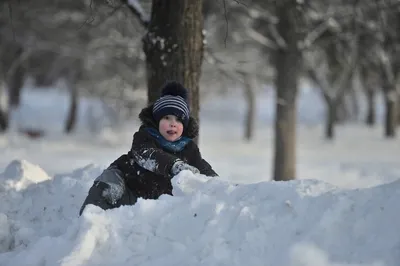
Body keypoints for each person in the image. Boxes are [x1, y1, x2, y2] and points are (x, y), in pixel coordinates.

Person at [79, 81, 218, 215]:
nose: (173, 124)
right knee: (108, 186)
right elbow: (147, 154)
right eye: (167, 118)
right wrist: (174, 165)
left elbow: (202, 168)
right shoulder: (145, 137)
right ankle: (91, 219)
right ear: (156, 121)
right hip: (129, 188)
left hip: (153, 204)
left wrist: (217, 184)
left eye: (179, 120)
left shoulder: (189, 148)